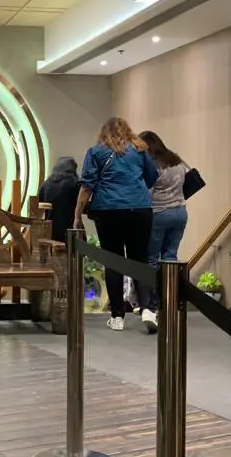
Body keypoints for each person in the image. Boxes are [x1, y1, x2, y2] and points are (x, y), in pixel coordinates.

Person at [74, 118, 159, 331]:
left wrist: (77, 216)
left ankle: (117, 316)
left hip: (108, 210)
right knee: (140, 259)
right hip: (140, 209)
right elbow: (152, 177)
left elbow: (87, 186)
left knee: (113, 260)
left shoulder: (96, 152)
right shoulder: (140, 150)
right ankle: (148, 310)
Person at [137, 131, 189, 334]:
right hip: (180, 212)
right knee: (170, 258)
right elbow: (188, 176)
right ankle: (169, 303)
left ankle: (151, 306)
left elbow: (147, 191)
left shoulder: (152, 165)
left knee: (151, 259)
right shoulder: (176, 160)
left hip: (159, 214)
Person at [38, 156, 78, 243]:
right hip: (68, 230)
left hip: (50, 230)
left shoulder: (46, 184)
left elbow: (39, 204)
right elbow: (80, 205)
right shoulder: (73, 183)